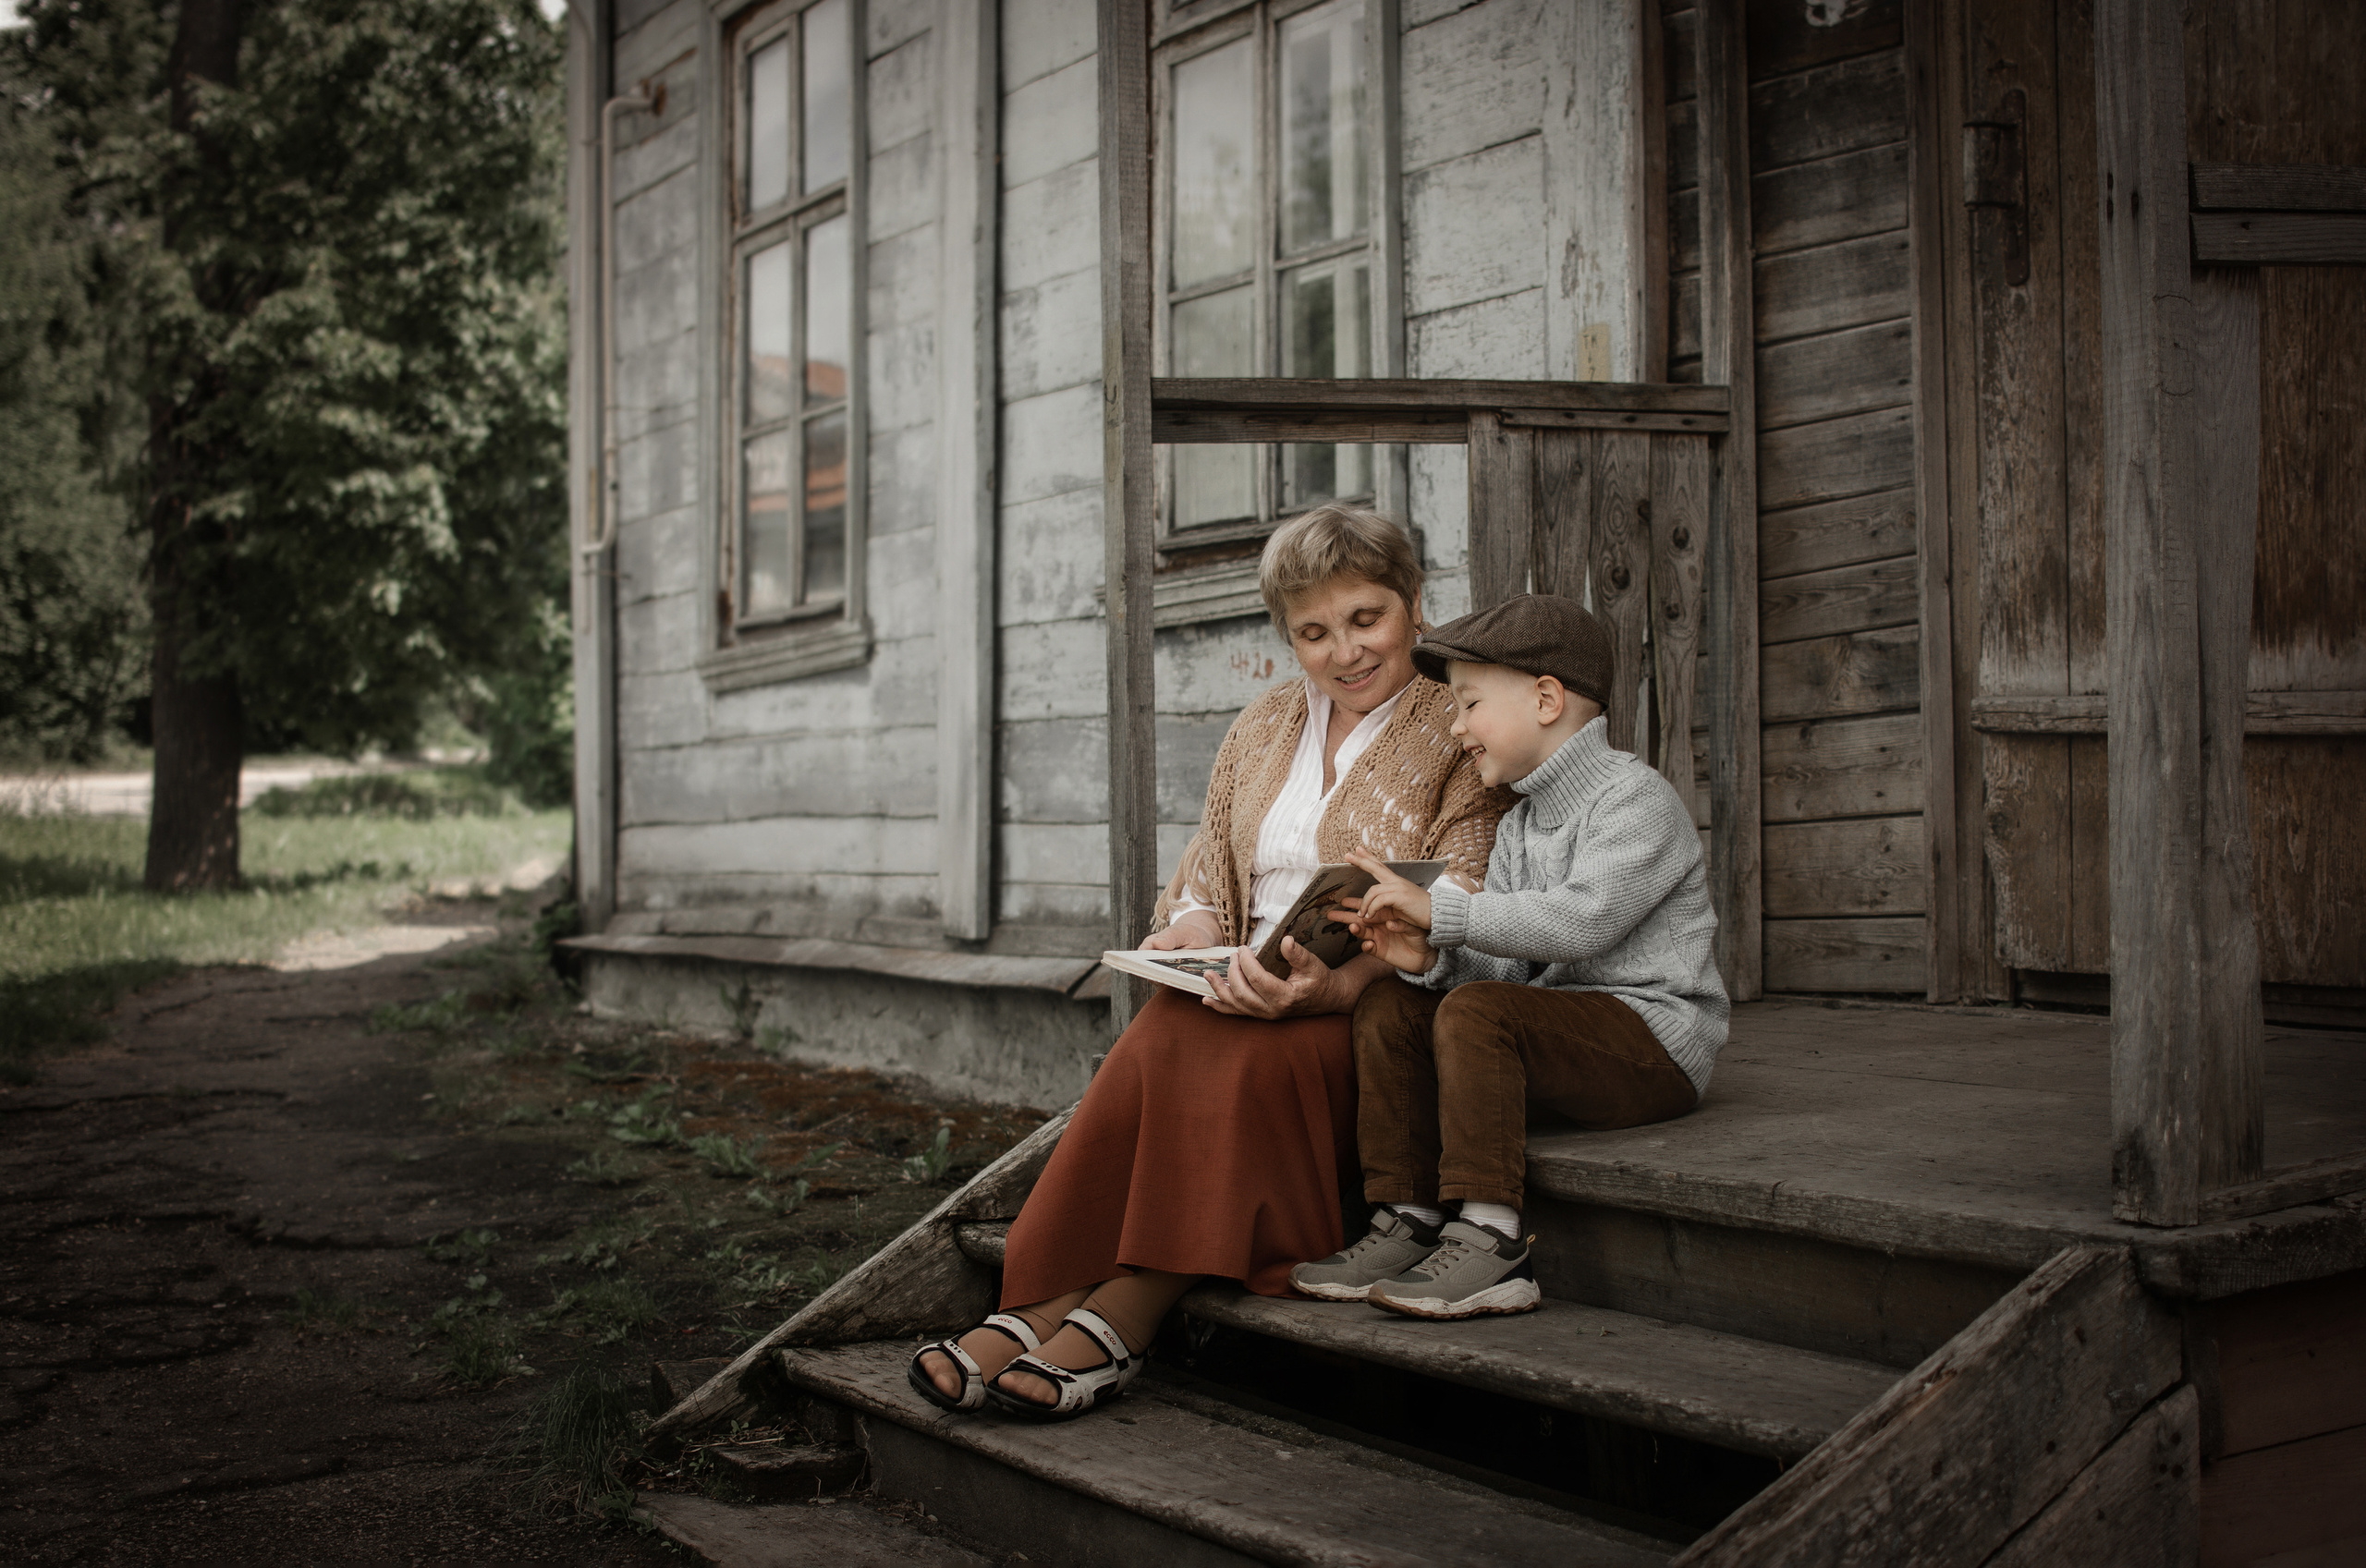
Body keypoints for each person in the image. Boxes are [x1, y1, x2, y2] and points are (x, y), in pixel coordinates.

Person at [908, 504, 1511, 1421]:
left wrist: (1333, 983)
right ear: (1288, 637)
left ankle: (1125, 1310)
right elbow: (1206, 865)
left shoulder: (1455, 720)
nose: (1343, 650)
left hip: (1375, 1003)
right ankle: (1038, 1304)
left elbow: (1464, 890)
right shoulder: (1265, 721)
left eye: (1364, 619)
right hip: (1244, 978)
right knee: (1163, 1031)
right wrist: (1189, 928)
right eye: (1312, 631)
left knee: (1233, 1050)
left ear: (1413, 604)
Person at [1295, 592, 1727, 1320]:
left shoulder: (1635, 799)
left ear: (1548, 699)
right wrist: (1423, 955)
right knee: (1392, 1000)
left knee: (1478, 1011)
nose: (1457, 727)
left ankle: (1494, 1240)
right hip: (1561, 1032)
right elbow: (1504, 972)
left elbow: (1580, 923)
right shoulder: (1523, 823)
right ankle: (1407, 1215)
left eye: (1468, 703)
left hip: (1654, 1046)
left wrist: (1449, 911)